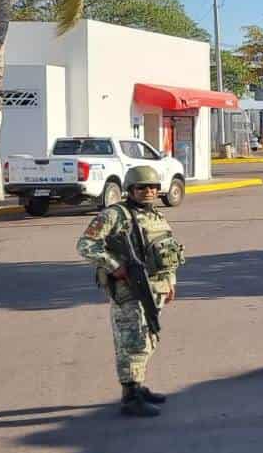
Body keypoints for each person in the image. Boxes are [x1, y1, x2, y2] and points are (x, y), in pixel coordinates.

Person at [76, 165, 186, 418]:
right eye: (142, 187)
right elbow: (85, 245)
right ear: (129, 190)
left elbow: (168, 252)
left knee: (149, 339)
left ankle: (138, 386)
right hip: (129, 290)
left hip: (155, 288)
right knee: (132, 342)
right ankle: (130, 396)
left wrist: (171, 281)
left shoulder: (156, 216)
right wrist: (114, 266)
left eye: (153, 187)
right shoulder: (115, 215)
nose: (148, 191)